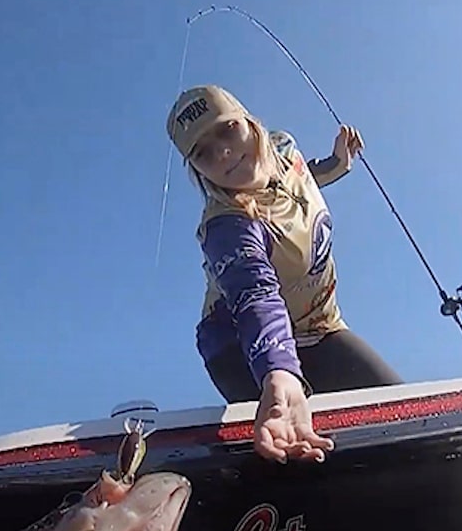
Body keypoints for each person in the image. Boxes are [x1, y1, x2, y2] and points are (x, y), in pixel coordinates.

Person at [165, 84, 403, 465]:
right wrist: (279, 373)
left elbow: (303, 176)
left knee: (398, 409)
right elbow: (255, 295)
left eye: (227, 130)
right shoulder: (228, 227)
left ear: (250, 122)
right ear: (195, 168)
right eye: (203, 152)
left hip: (320, 326)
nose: (223, 152)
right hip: (239, 344)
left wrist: (340, 162)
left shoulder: (283, 150)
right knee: (293, 441)